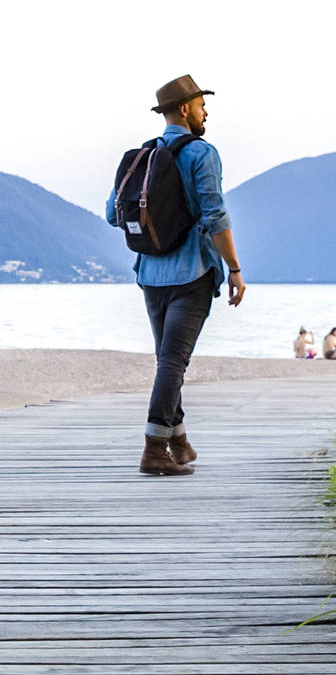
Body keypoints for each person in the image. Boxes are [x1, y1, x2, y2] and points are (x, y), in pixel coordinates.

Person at [105, 75, 246, 476]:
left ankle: (179, 443)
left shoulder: (141, 156)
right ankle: (154, 449)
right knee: (173, 363)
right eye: (202, 105)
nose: (206, 112)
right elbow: (215, 215)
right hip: (192, 272)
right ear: (185, 109)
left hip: (150, 272)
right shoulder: (202, 153)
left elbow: (112, 213)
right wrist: (234, 269)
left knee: (168, 361)